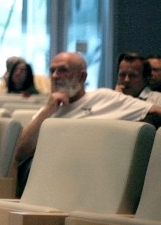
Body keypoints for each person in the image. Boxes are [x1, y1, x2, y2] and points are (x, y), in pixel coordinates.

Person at [15, 51, 161, 166]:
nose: (55, 76)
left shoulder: (106, 98)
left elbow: (155, 111)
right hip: (46, 170)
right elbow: (20, 154)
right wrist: (47, 110)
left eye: (62, 70)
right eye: (52, 71)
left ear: (82, 77)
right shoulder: (48, 110)